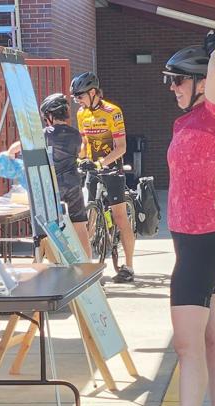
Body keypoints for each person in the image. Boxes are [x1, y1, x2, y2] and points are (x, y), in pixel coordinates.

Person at [138, 31, 215, 406]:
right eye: (170, 80)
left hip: (200, 247)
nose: (172, 88)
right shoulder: (188, 122)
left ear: (201, 83)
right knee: (211, 338)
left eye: (179, 80)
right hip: (201, 242)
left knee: (186, 346)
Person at [71, 72, 136, 283]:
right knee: (89, 218)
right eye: (75, 98)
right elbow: (84, 142)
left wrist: (102, 162)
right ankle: (90, 266)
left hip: (112, 168)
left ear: (92, 92)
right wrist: (80, 159)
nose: (78, 101)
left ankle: (128, 265)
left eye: (80, 96)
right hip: (92, 168)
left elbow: (121, 147)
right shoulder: (82, 114)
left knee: (119, 216)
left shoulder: (112, 112)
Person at [6, 93, 90, 255]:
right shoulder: (75, 134)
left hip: (52, 187)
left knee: (48, 227)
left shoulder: (44, 134)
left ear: (49, 116)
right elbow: (81, 155)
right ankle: (88, 267)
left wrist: (9, 154)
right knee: (80, 226)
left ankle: (53, 261)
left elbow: (15, 148)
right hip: (73, 185)